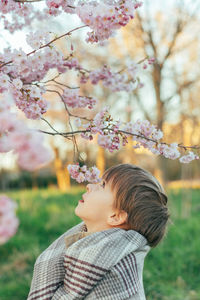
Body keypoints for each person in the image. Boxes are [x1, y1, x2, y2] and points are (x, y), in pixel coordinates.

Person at [27, 164, 169, 300]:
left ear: (116, 216)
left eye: (102, 185)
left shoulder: (107, 267)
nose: (89, 186)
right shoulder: (87, 248)